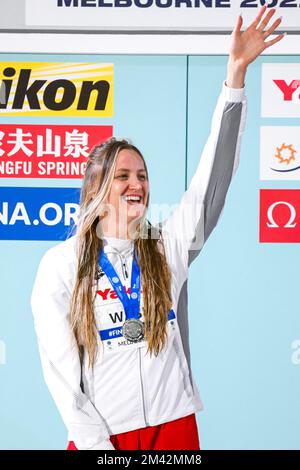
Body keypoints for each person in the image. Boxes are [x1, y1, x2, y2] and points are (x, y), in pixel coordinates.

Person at [31, 6, 285, 451]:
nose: (137, 185)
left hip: (175, 427)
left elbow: (212, 180)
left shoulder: (164, 245)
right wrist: (96, 446)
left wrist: (235, 79)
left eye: (143, 176)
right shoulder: (61, 264)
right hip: (105, 434)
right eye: (124, 175)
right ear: (97, 185)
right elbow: (60, 371)